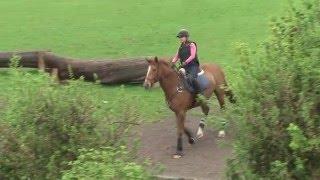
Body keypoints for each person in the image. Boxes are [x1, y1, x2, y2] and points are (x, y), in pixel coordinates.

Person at [171, 29, 201, 94]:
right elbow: (177, 56)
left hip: (193, 66)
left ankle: (197, 93)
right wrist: (173, 62)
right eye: (179, 37)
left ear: (186, 37)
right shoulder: (181, 46)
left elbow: (192, 56)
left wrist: (185, 62)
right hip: (184, 66)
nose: (180, 38)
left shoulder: (192, 44)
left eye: (182, 37)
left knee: (190, 78)